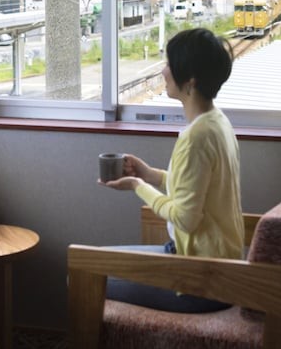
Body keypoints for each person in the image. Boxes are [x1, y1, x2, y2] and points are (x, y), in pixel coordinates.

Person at [98, 28, 242, 313]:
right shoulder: (217, 123)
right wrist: (149, 174)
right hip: (219, 267)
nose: (163, 71)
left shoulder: (196, 138)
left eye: (168, 64)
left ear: (190, 81)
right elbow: (195, 190)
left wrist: (137, 186)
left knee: (85, 274)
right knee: (98, 262)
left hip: (200, 280)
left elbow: (185, 219)